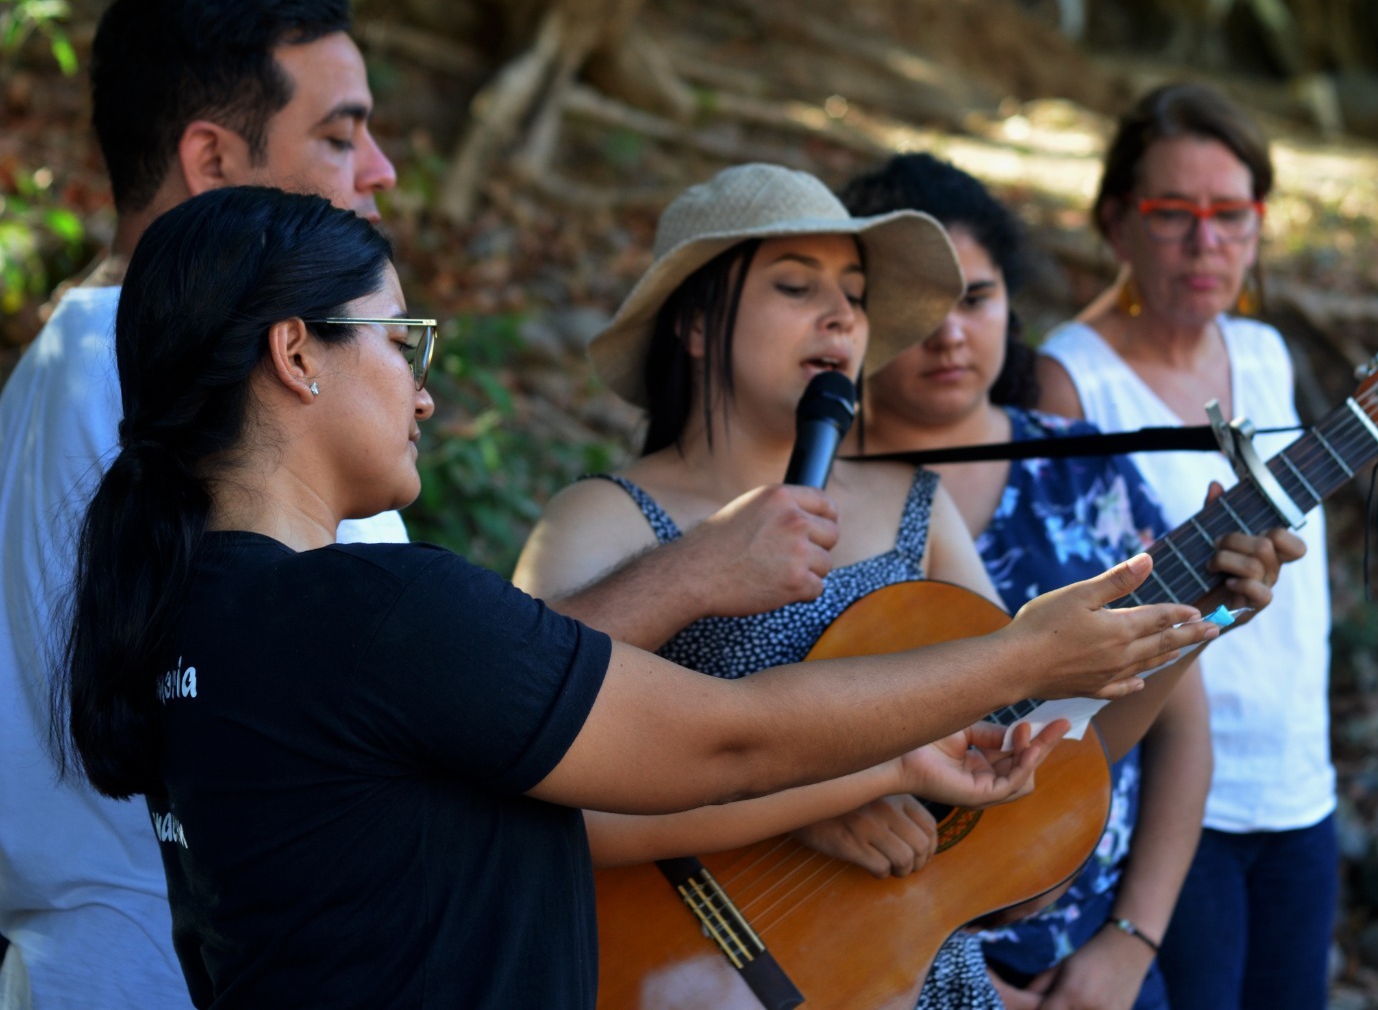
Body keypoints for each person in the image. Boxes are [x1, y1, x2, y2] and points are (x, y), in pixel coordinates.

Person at [59, 183, 1218, 1008]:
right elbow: (728, 742)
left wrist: (902, 761)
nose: (422, 390)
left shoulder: (197, 618)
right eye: (400, 340)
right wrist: (1024, 657)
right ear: (297, 355)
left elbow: (558, 775)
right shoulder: (369, 610)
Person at [516, 162, 1282, 1010]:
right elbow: (534, 774)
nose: (842, 315)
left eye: (853, 292)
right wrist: (804, 801)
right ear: (695, 324)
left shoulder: (915, 503)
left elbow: (1028, 769)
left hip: (911, 981)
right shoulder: (606, 518)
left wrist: (1192, 620)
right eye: (796, 285)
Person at [0, 0, 404, 1007]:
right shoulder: (141, 370)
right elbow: (402, 693)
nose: (381, 171)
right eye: (339, 135)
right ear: (213, 160)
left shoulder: (84, 357)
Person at [846, 152, 1303, 1010]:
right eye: (920, 305)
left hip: (1086, 954)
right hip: (860, 964)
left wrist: (1130, 944)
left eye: (977, 298)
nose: (950, 334)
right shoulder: (816, 500)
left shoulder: (1087, 477)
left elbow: (1180, 729)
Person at [1033, 83, 1337, 1009]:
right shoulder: (1071, 378)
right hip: (1162, 796)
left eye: (1231, 214)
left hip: (1300, 785)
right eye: (1173, 214)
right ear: (1117, 225)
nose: (1207, 243)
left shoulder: (1265, 351)